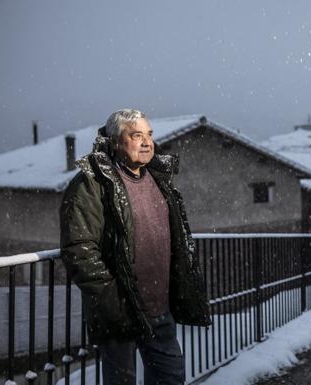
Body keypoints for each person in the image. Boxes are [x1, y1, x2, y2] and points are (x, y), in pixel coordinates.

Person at [60, 108, 211, 385]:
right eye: (137, 135)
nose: (147, 142)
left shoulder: (158, 178)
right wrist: (113, 298)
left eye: (149, 135)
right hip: (120, 312)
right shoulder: (92, 183)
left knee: (171, 377)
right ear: (116, 141)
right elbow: (78, 249)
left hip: (160, 309)